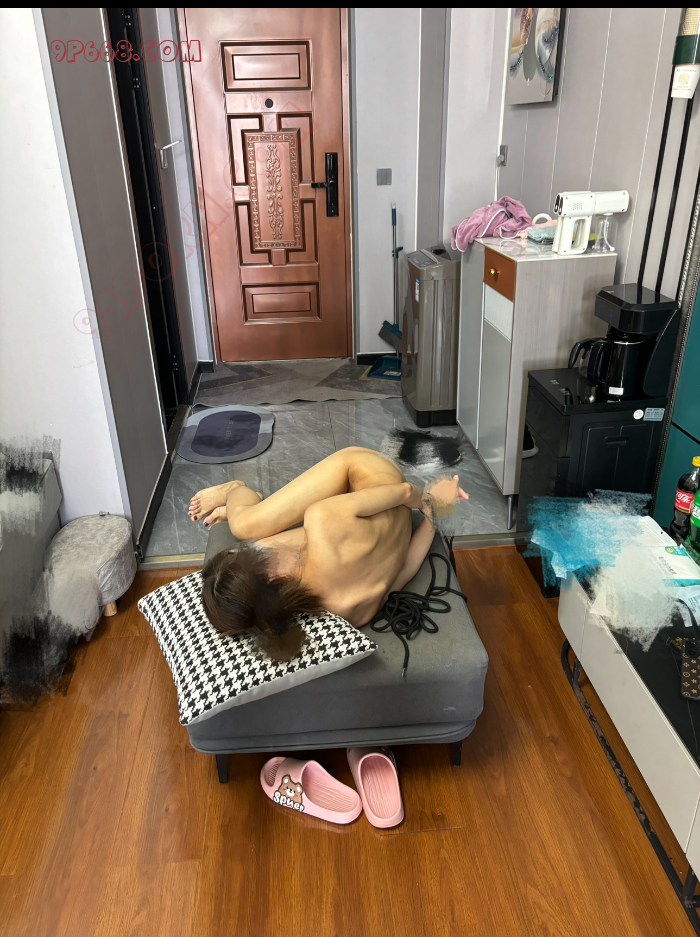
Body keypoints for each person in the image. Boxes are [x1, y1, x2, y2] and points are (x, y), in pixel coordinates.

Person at [188, 447, 468, 660]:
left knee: (255, 532)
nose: (258, 548)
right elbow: (405, 491)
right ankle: (236, 490)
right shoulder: (321, 520)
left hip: (361, 502)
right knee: (244, 526)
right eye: (254, 554)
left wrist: (434, 514)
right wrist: (429, 498)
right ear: (272, 578)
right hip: (372, 473)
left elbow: (406, 567)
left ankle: (242, 501)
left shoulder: (346, 610)